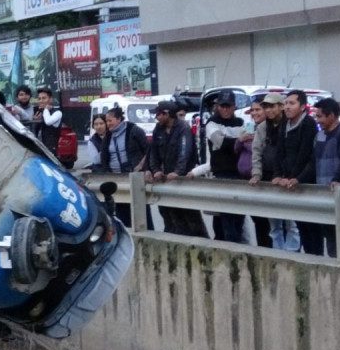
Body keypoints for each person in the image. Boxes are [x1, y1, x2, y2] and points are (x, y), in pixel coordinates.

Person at [146, 100, 207, 237]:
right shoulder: (158, 129)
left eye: (159, 114)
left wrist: (178, 172)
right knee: (167, 211)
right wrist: (155, 170)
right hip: (165, 178)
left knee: (189, 213)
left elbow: (184, 152)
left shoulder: (183, 128)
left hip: (183, 178)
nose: (157, 117)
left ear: (167, 114)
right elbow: (153, 152)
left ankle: (199, 239)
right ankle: (174, 237)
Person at [249, 93, 299, 250]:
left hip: (288, 179)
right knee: (274, 224)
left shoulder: (290, 124)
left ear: (281, 106)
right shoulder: (262, 127)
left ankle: (293, 253)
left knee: (292, 224)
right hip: (270, 178)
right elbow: (256, 152)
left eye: (272, 106)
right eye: (266, 107)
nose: (268, 110)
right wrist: (256, 173)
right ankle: (278, 253)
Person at [276, 89, 320, 254]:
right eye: (286, 103)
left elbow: (307, 156)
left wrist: (296, 178)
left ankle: (316, 260)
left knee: (311, 228)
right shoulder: (284, 124)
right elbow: (280, 152)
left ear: (302, 106)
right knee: (301, 225)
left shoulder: (308, 124)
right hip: (290, 182)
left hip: (305, 182)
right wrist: (278, 175)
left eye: (291, 103)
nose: (287, 107)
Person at [310, 97, 340, 257]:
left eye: (320, 116)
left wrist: (338, 179)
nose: (318, 120)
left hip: (339, 192)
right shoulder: (320, 135)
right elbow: (313, 161)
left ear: (332, 116)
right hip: (323, 192)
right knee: (329, 235)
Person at [200, 89, 245, 243]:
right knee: (223, 216)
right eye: (222, 106)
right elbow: (219, 142)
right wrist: (238, 140)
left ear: (234, 107)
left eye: (228, 106)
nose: (225, 109)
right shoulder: (211, 123)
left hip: (239, 174)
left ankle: (236, 246)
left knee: (238, 216)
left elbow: (240, 143)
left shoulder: (240, 123)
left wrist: (236, 142)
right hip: (220, 175)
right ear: (218, 106)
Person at [98, 106, 149, 228]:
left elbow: (148, 151)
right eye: (107, 121)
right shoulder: (108, 137)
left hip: (134, 177)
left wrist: (142, 167)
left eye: (110, 120)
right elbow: (104, 157)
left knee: (140, 208)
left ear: (119, 119)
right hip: (117, 179)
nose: (108, 124)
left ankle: (144, 229)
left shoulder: (134, 131)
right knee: (121, 210)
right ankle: (125, 232)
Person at [234, 95, 271, 247]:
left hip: (262, 180)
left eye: (258, 110)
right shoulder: (248, 126)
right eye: (252, 110)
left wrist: (250, 142)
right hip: (246, 180)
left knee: (265, 222)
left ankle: (267, 249)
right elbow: (236, 149)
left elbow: (259, 151)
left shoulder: (269, 128)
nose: (254, 113)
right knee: (257, 219)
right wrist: (240, 140)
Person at [32, 87, 64, 163]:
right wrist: (35, 121)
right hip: (38, 151)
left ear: (50, 99)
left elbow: (48, 122)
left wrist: (46, 109)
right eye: (39, 99)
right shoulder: (38, 113)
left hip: (50, 152)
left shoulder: (57, 113)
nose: (41, 101)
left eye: (44, 98)